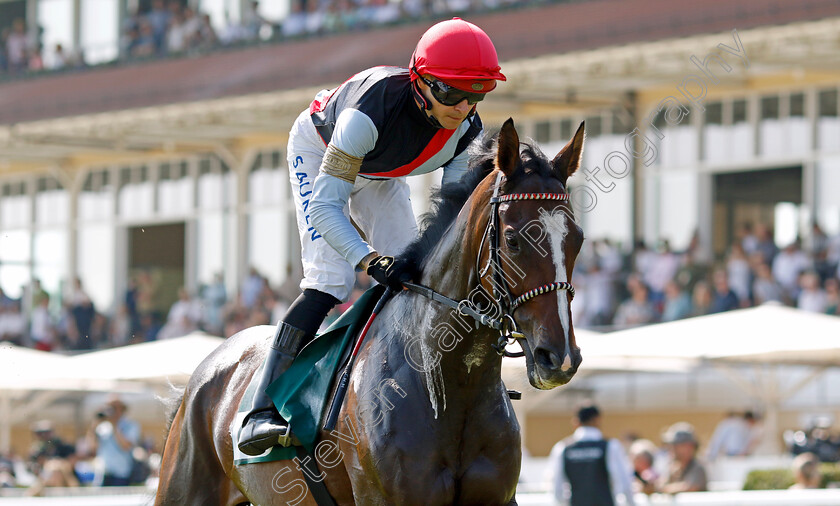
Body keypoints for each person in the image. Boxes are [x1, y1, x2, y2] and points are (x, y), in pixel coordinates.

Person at [237, 17, 505, 456]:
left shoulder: (468, 133)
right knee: (331, 278)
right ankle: (261, 411)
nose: (463, 107)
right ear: (421, 82)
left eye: (477, 94)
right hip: (320, 151)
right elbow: (326, 208)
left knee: (415, 279)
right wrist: (368, 259)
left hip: (381, 173)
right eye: (451, 93)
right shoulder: (369, 112)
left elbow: (449, 220)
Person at [549, 404, 636, 506]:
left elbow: (556, 486)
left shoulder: (563, 448)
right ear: (597, 419)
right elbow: (624, 480)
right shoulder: (610, 446)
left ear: (576, 421)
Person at [85, 396, 140, 486]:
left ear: (122, 409)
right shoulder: (102, 427)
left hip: (121, 474)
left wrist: (114, 425)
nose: (110, 410)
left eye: (114, 407)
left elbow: (125, 446)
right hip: (103, 474)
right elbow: (92, 447)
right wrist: (93, 426)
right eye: (108, 407)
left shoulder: (131, 425)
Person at [660, 422, 708, 494]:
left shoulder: (697, 467)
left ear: (689, 447)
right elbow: (660, 485)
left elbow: (691, 487)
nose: (671, 449)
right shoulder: (672, 468)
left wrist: (667, 489)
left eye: (675, 445)